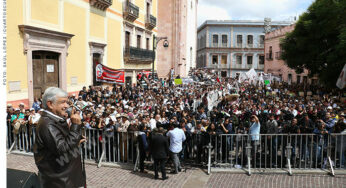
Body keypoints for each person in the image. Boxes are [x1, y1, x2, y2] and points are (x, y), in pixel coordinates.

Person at [33, 87, 86, 188]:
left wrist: (76, 142)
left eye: (67, 102)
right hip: (60, 181)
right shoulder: (48, 124)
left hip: (67, 178)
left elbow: (61, 145)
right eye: (63, 102)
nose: (66, 106)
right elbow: (62, 149)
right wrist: (74, 127)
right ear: (50, 104)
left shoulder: (54, 120)